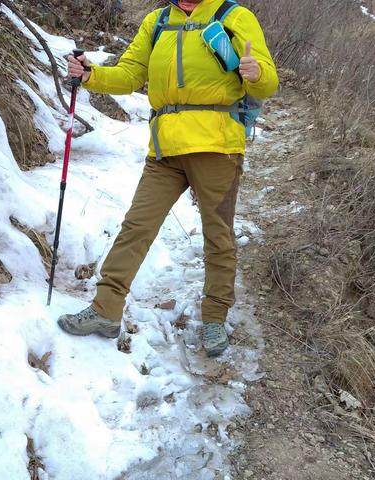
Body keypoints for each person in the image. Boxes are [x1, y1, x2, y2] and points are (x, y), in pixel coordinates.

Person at [58, 0, 278, 356]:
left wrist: (256, 73)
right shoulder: (157, 21)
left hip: (217, 147)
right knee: (137, 226)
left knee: (217, 235)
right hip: (165, 150)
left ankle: (214, 319)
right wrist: (90, 75)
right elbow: (130, 74)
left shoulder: (235, 16)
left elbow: (268, 82)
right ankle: (105, 310)